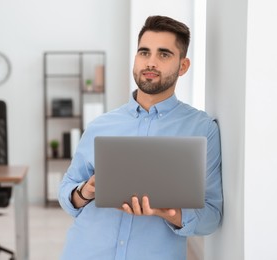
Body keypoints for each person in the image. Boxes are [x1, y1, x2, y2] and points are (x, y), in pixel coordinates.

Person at [58, 15, 223, 260]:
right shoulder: (100, 125)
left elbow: (212, 215)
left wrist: (171, 213)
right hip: (85, 252)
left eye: (164, 54)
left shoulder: (201, 129)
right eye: (144, 53)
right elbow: (66, 191)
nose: (150, 63)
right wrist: (85, 192)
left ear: (183, 66)